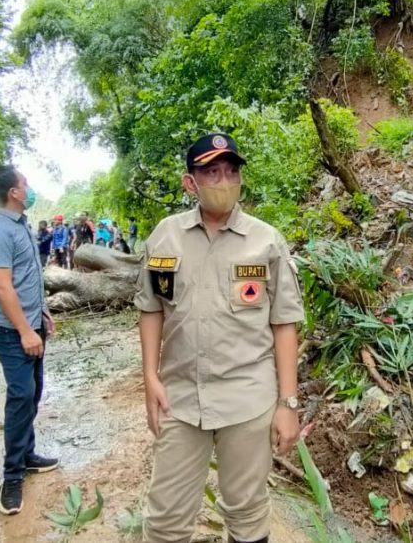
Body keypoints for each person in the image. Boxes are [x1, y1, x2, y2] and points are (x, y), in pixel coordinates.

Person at [135, 133, 305, 543]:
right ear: (189, 182)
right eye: (211, 171)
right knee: (165, 521)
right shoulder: (164, 236)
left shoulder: (266, 241)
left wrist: (288, 404)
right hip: (180, 397)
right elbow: (150, 307)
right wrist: (150, 377)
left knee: (246, 513)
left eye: (231, 171)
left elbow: (284, 324)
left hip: (248, 400)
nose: (224, 180)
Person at [0, 166, 59, 516]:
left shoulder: (22, 225)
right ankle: (11, 476)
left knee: (34, 391)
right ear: (13, 192)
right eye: (25, 184)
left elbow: (29, 277)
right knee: (21, 395)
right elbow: (2, 286)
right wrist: (25, 331)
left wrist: (41, 315)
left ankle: (27, 454)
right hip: (11, 331)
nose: (29, 189)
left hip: (31, 324)